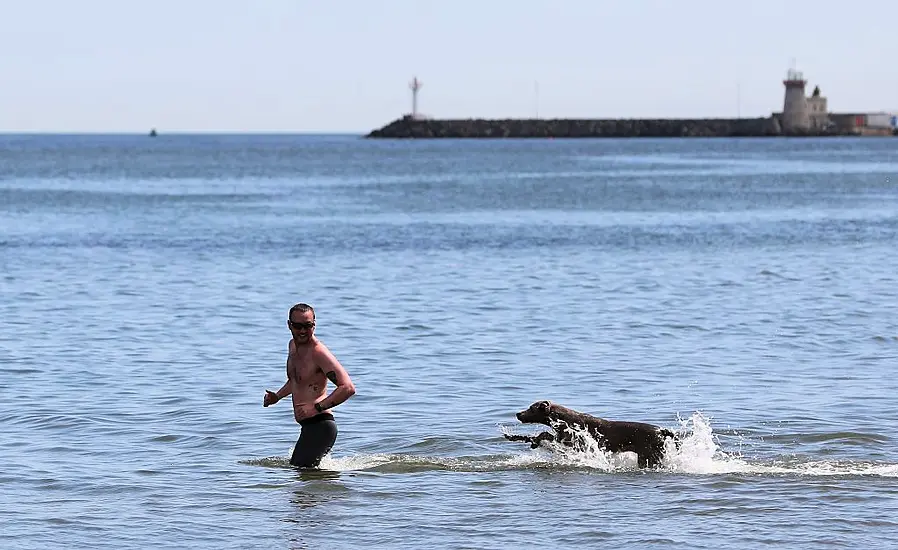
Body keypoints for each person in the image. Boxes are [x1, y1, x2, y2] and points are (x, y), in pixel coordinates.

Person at [263, 302, 356, 468]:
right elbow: (296, 381)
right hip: (308, 426)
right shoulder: (292, 346)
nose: (303, 331)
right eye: (298, 326)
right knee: (304, 478)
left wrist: (316, 408)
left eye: (308, 326)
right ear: (289, 325)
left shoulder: (318, 353)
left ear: (315, 324)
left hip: (321, 426)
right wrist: (277, 396)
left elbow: (347, 388)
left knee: (300, 472)